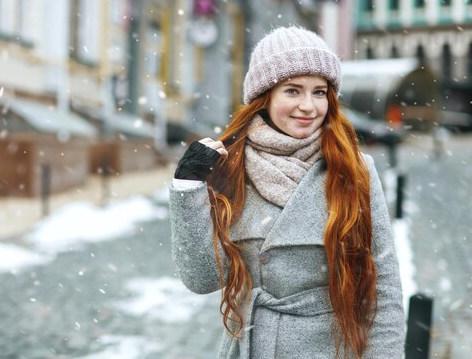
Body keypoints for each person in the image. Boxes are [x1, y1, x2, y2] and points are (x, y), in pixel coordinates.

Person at [169, 26, 405, 359]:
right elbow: (202, 278)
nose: (309, 106)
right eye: (293, 91)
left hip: (332, 349)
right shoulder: (232, 167)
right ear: (265, 98)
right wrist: (188, 186)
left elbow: (383, 291)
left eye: (319, 92)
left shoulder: (353, 170)